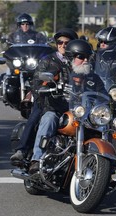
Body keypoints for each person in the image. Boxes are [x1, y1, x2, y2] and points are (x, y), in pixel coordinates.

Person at [28, 39, 107, 174]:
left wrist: (110, 100)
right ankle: (37, 159)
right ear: (70, 58)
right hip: (60, 110)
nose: (85, 60)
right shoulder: (59, 71)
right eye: (81, 57)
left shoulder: (94, 78)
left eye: (88, 57)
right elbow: (42, 83)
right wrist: (45, 87)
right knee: (49, 118)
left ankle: (106, 168)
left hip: (85, 114)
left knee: (105, 126)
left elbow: (104, 96)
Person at [10, 28, 78, 165]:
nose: (63, 45)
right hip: (50, 102)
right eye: (60, 42)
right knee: (40, 116)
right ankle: (27, 153)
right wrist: (43, 88)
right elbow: (36, 81)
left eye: (67, 43)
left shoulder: (79, 61)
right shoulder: (48, 60)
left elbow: (92, 78)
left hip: (75, 105)